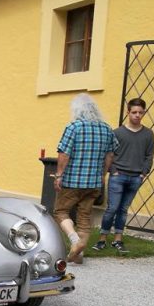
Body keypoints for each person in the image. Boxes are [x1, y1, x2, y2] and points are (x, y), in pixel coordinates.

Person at [53, 93, 116, 264]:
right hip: (94, 182)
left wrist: (58, 175)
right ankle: (79, 254)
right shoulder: (107, 129)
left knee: (61, 211)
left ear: (77, 109)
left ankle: (74, 240)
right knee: (84, 216)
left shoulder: (74, 127)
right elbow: (110, 155)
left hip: (72, 181)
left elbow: (64, 153)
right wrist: (103, 175)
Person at [92, 97, 154, 254]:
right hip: (118, 176)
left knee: (123, 209)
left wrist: (143, 173)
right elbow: (109, 154)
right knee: (112, 208)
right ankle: (102, 239)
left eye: (140, 112)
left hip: (136, 178)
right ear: (128, 112)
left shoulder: (148, 134)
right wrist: (113, 170)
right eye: (134, 112)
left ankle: (118, 240)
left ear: (144, 113)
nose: (137, 115)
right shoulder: (117, 133)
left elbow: (149, 155)